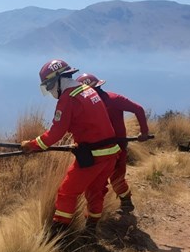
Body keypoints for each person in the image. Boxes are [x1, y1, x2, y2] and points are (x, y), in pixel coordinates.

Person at [20, 59, 120, 240]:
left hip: (93, 156)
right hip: (111, 152)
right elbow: (91, 122)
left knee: (67, 192)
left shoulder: (68, 98)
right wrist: (80, 141)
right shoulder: (88, 90)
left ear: (58, 80)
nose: (50, 91)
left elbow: (55, 134)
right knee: (95, 193)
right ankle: (90, 233)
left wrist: (32, 145)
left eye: (49, 85)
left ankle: (59, 237)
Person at [76, 73, 149, 214]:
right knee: (97, 182)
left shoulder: (114, 99)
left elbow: (138, 109)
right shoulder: (85, 106)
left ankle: (126, 202)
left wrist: (144, 132)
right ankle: (96, 213)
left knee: (116, 178)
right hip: (96, 150)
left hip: (118, 147)